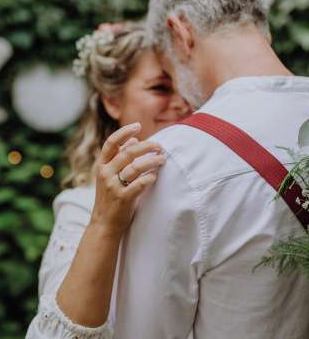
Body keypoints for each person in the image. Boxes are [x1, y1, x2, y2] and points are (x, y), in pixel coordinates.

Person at [111, 0, 309, 338]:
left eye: (169, 70)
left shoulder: (176, 159)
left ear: (180, 33)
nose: (183, 100)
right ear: (260, 26)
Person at [25, 22, 191, 338]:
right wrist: (105, 224)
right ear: (112, 100)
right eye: (160, 88)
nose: (182, 103)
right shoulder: (82, 206)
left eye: (187, 87)